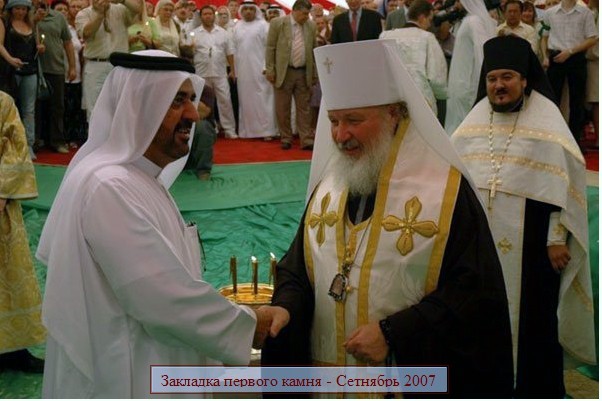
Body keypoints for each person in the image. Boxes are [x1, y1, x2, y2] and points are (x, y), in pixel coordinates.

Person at [259, 39, 514, 398]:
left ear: (394, 114)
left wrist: (395, 333)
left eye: (354, 120)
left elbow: (473, 296)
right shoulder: (330, 186)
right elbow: (298, 270)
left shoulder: (445, 193)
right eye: (333, 121)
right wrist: (286, 305)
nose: (340, 136)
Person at [36, 50, 271, 398]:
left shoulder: (139, 179)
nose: (193, 114)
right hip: (128, 375)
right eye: (177, 101)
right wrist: (250, 326)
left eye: (191, 99)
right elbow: (161, 298)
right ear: (138, 107)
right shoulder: (109, 186)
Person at [451, 35, 596, 398]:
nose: (498, 86)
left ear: (525, 79)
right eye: (492, 78)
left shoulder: (546, 121)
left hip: (534, 249)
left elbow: (564, 189)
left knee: (535, 322)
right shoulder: (472, 124)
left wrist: (556, 237)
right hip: (480, 249)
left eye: (507, 77)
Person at [0, 90, 46, 374]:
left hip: (1, 206)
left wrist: (3, 189)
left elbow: (16, 146)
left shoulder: (3, 103)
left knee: (9, 277)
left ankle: (15, 352)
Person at [541, 0, 597, 145]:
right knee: (553, 100)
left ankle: (575, 141)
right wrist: (545, 56)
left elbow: (592, 38)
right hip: (556, 57)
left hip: (576, 57)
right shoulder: (550, 13)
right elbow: (544, 36)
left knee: (577, 101)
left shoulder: (586, 13)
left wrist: (571, 52)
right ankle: (552, 138)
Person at [76, 0, 143, 118]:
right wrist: (100, 15)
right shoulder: (83, 14)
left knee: (120, 108)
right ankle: (96, 130)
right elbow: (86, 33)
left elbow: (138, 9)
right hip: (96, 66)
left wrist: (122, 0)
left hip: (119, 66)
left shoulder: (120, 9)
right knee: (95, 109)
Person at [265, 0, 317, 150]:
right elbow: (270, 47)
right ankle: (286, 138)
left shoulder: (311, 26)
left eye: (308, 14)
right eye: (304, 14)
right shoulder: (278, 23)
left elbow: (313, 49)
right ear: (295, 11)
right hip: (283, 72)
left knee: (304, 108)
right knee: (283, 108)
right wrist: (270, 69)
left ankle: (306, 139)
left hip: (303, 72)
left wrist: (314, 74)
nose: (307, 17)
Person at [380, 0, 447, 113]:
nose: (429, 24)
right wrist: (442, 94)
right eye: (429, 20)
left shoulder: (385, 36)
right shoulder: (427, 38)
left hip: (393, 99)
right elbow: (437, 77)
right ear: (422, 18)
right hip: (421, 98)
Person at [444, 0, 496, 134]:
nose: (456, 5)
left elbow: (482, 52)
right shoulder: (470, 20)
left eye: (458, 1)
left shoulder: (474, 21)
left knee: (465, 129)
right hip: (461, 85)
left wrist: (486, 82)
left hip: (467, 87)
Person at [0, 0, 44, 159]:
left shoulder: (32, 24)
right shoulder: (5, 23)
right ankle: (7, 146)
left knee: (29, 110)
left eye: (24, 9)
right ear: (11, 9)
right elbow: (0, 45)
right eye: (17, 8)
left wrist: (41, 48)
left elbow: (38, 45)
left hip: (30, 70)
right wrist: (11, 60)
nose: (20, 12)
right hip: (10, 72)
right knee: (9, 109)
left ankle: (28, 145)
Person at [35, 0, 76, 154]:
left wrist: (72, 66)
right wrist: (34, 20)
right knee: (35, 107)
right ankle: (35, 140)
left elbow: (68, 43)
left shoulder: (58, 17)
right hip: (35, 68)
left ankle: (57, 141)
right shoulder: (26, 15)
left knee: (57, 107)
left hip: (56, 68)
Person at [191, 5, 238, 139]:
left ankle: (229, 129)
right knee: (204, 102)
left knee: (225, 101)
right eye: (205, 14)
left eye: (210, 14)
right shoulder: (194, 33)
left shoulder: (223, 33)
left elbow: (230, 52)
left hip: (220, 72)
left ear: (214, 15)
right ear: (201, 17)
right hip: (201, 72)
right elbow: (190, 53)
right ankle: (210, 128)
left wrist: (232, 70)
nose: (208, 16)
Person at [232, 1, 277, 139]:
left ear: (256, 10)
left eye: (251, 9)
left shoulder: (263, 25)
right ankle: (247, 132)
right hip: (243, 71)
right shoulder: (237, 26)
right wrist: (234, 70)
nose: (248, 11)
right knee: (246, 101)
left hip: (260, 70)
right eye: (245, 9)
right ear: (241, 11)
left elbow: (270, 48)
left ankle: (267, 132)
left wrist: (266, 66)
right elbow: (234, 50)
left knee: (263, 99)